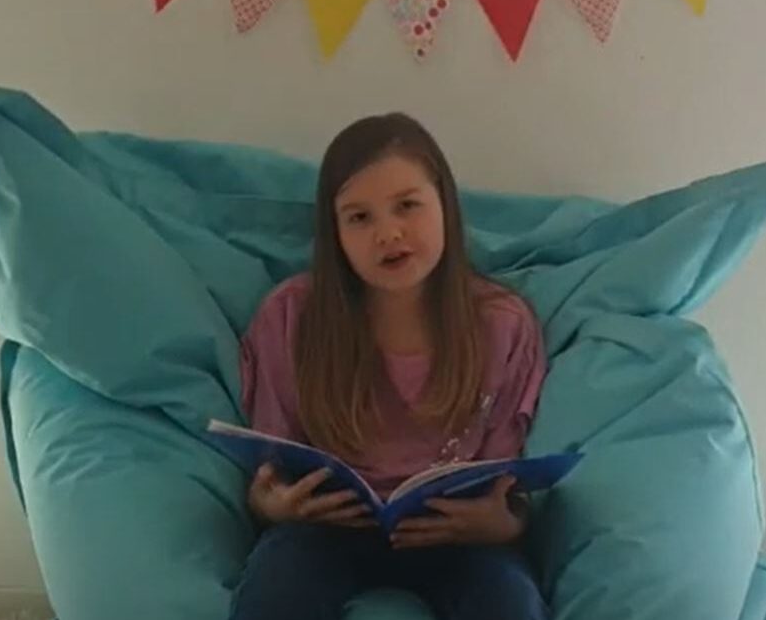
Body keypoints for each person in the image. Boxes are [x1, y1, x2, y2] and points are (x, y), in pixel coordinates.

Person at [231, 112, 549, 620]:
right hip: (328, 531)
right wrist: (272, 507)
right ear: (334, 232)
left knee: (510, 602)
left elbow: (508, 485)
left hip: (456, 537)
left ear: (445, 205)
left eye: (407, 206)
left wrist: (504, 525)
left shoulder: (501, 324)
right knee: (274, 590)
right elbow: (271, 467)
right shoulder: (290, 317)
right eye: (360, 218)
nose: (388, 233)